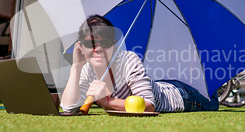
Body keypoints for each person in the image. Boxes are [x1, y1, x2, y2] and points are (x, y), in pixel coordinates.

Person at [60, 15, 219, 113]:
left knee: (213, 103)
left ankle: (213, 86)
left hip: (181, 96)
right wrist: (76, 66)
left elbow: (149, 105)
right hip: (158, 85)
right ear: (79, 46)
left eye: (106, 42)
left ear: (114, 45)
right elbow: (68, 108)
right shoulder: (86, 69)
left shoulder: (128, 59)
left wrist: (107, 102)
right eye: (90, 44)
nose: (98, 49)